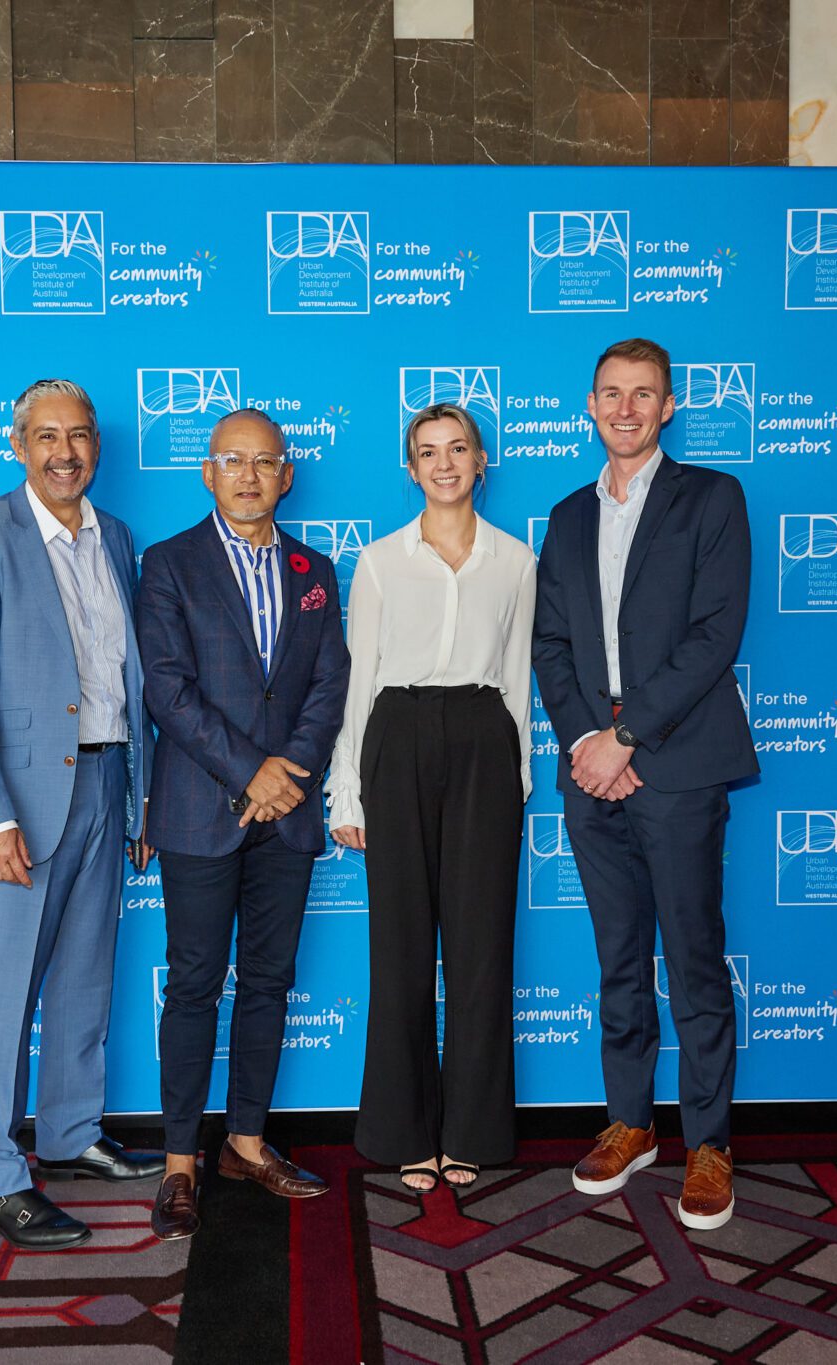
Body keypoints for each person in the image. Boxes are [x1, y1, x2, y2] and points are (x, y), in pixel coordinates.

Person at [532, 338, 758, 1230]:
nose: (625, 408)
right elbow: (550, 644)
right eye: (611, 393)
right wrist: (588, 742)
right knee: (618, 957)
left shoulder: (713, 497)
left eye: (643, 394)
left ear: (669, 406)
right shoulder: (567, 516)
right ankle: (630, 1121)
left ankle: (708, 1141)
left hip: (678, 762)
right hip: (592, 767)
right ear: (590, 405)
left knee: (694, 957)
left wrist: (626, 738)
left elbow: (716, 635)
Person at [0, 378, 164, 1250]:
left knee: (85, 976)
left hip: (109, 782)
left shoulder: (119, 536)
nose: (66, 452)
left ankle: (70, 1132)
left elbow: (124, 678)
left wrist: (141, 795)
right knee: (8, 990)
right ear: (19, 444)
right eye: (48, 436)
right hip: (26, 803)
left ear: (95, 445)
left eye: (80, 436)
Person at [134, 408, 351, 1241]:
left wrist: (286, 773)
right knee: (194, 983)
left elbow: (328, 683)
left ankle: (247, 1143)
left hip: (285, 812)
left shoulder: (313, 569)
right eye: (234, 460)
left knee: (268, 979)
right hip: (201, 810)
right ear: (209, 472)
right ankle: (180, 1163)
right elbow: (166, 686)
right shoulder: (169, 563)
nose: (250, 475)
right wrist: (249, 770)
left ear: (286, 475)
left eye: (265, 461)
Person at [328, 404, 534, 1192]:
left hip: (484, 739)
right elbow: (359, 680)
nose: (443, 463)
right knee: (401, 946)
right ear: (409, 467)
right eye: (427, 452)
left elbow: (516, 677)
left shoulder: (517, 561)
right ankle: (404, 1130)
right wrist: (347, 791)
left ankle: (473, 1129)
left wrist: (517, 779)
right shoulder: (380, 561)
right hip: (398, 733)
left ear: (481, 460)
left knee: (482, 950)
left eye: (457, 449)